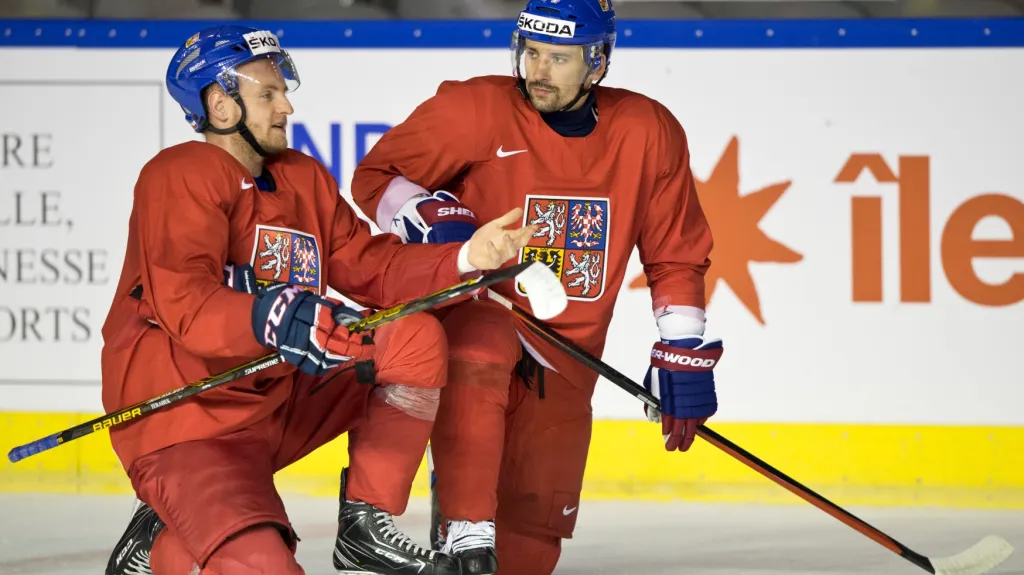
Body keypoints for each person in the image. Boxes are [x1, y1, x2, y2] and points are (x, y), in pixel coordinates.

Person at [101, 25, 538, 575]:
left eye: (283, 90)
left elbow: (372, 267)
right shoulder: (180, 174)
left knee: (412, 337)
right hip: (190, 422)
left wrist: (467, 259)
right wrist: (274, 314)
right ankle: (167, 535)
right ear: (220, 104)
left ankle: (365, 526)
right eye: (267, 94)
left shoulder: (300, 178)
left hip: (276, 402)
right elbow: (187, 303)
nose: (286, 104)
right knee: (265, 567)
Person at [350, 1, 725, 574]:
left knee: (528, 546)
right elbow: (375, 178)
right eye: (531, 52)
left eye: (558, 58)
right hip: (483, 318)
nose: (538, 71)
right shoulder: (474, 109)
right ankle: (465, 528)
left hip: (569, 359)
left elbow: (675, 252)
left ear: (596, 63)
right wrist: (425, 211)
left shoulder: (648, 130)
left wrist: (682, 345)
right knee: (480, 352)